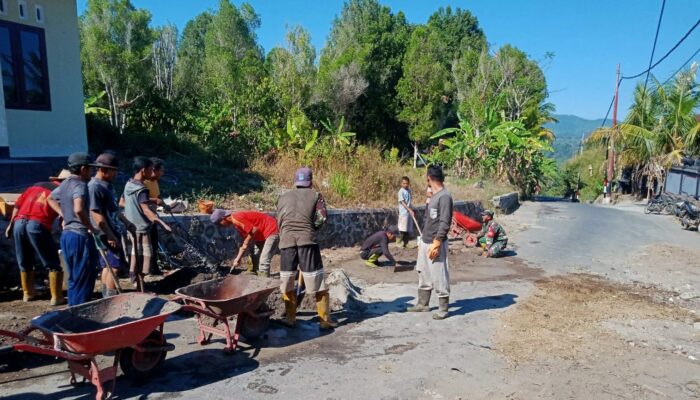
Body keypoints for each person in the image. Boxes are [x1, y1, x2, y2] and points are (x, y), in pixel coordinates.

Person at [276, 167, 337, 330]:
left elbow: (279, 220)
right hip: (307, 243)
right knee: (317, 280)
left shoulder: (282, 197)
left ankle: (290, 319)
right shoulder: (316, 195)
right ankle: (324, 321)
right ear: (310, 181)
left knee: (287, 281)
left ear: (295, 181)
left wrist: (286, 234)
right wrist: (311, 229)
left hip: (286, 242)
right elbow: (322, 218)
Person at [5, 170, 69, 304]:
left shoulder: (34, 186)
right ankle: (56, 297)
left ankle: (28, 294)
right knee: (52, 263)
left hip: (19, 223)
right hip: (37, 224)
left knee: (24, 260)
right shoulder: (62, 191)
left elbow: (17, 205)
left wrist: (10, 225)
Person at [49, 153, 99, 306]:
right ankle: (81, 315)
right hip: (80, 235)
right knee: (84, 277)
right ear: (83, 169)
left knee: (74, 277)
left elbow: (50, 198)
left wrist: (63, 214)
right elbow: (78, 209)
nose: (92, 172)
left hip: (67, 235)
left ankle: (73, 311)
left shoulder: (65, 184)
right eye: (91, 169)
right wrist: (90, 227)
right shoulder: (80, 185)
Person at [407, 165, 453, 320]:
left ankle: (443, 308)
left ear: (429, 178)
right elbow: (429, 219)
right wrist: (422, 240)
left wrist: (438, 241)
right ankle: (423, 304)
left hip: (435, 242)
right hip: (426, 240)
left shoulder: (445, 197)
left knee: (439, 275)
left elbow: (445, 222)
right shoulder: (434, 196)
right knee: (423, 272)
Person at [121, 157, 171, 291]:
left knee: (134, 259)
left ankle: (138, 286)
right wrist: (162, 224)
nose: (152, 172)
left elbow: (125, 203)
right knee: (142, 259)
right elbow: (146, 210)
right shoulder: (141, 189)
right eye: (150, 170)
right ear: (144, 170)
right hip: (141, 230)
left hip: (130, 228)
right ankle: (140, 288)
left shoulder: (129, 184)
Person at [88, 153, 124, 298]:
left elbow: (114, 209)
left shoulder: (106, 185)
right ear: (103, 170)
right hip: (107, 233)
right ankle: (110, 298)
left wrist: (126, 222)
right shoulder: (95, 187)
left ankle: (106, 296)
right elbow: (96, 215)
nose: (116, 174)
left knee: (107, 266)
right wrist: (110, 235)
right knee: (113, 267)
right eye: (113, 171)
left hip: (112, 230)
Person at [210, 209, 279, 278]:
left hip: (271, 230)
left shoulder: (236, 218)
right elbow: (246, 239)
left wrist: (246, 243)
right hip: (261, 234)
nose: (220, 226)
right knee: (255, 254)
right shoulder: (236, 223)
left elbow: (253, 230)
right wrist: (238, 258)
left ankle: (264, 282)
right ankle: (253, 275)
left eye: (219, 224)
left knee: (264, 260)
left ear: (223, 218)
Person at [144, 157, 167, 275]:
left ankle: (154, 268)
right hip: (144, 218)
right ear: (153, 170)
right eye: (161, 171)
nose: (162, 173)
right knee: (146, 246)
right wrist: (155, 200)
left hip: (153, 217)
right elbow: (140, 199)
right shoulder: (144, 182)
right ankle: (146, 270)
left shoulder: (154, 182)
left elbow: (158, 196)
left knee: (154, 243)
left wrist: (165, 204)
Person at [397, 176, 414, 248]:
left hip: (408, 212)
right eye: (404, 183)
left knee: (407, 228)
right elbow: (403, 202)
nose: (405, 185)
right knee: (402, 228)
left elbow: (409, 201)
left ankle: (406, 243)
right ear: (401, 183)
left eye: (407, 183)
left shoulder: (409, 190)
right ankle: (398, 242)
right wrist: (409, 209)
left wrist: (411, 209)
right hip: (403, 212)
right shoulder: (401, 192)